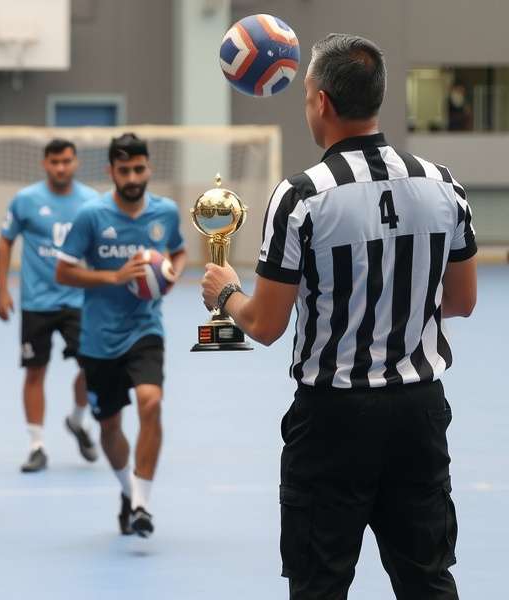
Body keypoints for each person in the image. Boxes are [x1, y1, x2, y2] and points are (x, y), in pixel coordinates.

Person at [201, 34, 477, 599]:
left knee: (319, 580)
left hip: (333, 419)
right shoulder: (442, 183)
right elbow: (461, 302)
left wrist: (225, 292)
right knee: (427, 577)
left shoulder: (301, 196)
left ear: (321, 101)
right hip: (418, 412)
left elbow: (266, 325)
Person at [56, 133, 187, 537]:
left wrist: (171, 272)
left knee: (151, 404)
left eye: (139, 168)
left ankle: (143, 505)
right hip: (98, 339)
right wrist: (113, 276)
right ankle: (128, 492)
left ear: (149, 169)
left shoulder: (165, 213)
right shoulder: (91, 216)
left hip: (144, 328)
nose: (133, 176)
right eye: (124, 169)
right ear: (111, 171)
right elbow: (63, 270)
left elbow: (178, 250)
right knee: (110, 427)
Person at [0, 138, 101, 473]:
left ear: (76, 162)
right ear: (45, 163)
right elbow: (4, 242)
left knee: (93, 368)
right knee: (34, 371)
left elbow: (101, 246)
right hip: (36, 302)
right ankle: (37, 445)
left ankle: (77, 419)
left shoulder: (91, 202)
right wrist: (1, 290)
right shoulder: (26, 200)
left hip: (78, 298)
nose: (61, 167)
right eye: (55, 162)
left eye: (67, 161)